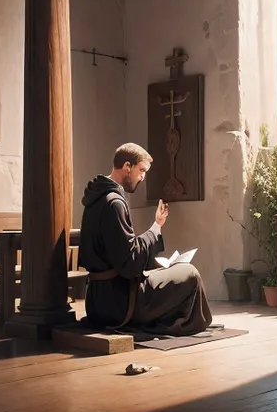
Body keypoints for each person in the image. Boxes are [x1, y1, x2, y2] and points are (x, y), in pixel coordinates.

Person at [79, 142, 212, 336]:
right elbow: (130, 262)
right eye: (141, 170)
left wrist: (156, 225)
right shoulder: (114, 203)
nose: (142, 177)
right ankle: (185, 323)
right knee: (190, 274)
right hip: (119, 302)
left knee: (174, 272)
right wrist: (154, 230)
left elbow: (121, 252)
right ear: (127, 166)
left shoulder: (96, 197)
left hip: (97, 301)